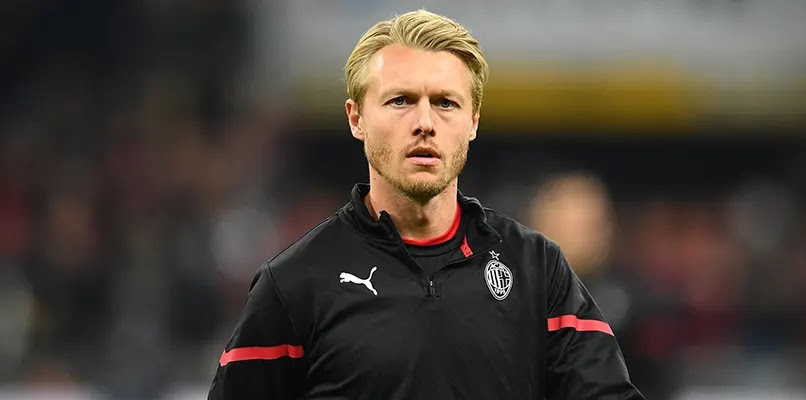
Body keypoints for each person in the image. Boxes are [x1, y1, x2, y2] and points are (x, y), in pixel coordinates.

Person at [208, 9, 644, 399]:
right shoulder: (293, 285)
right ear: (356, 118)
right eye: (400, 100)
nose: (424, 123)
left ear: (473, 122)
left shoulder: (537, 269)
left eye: (445, 103)